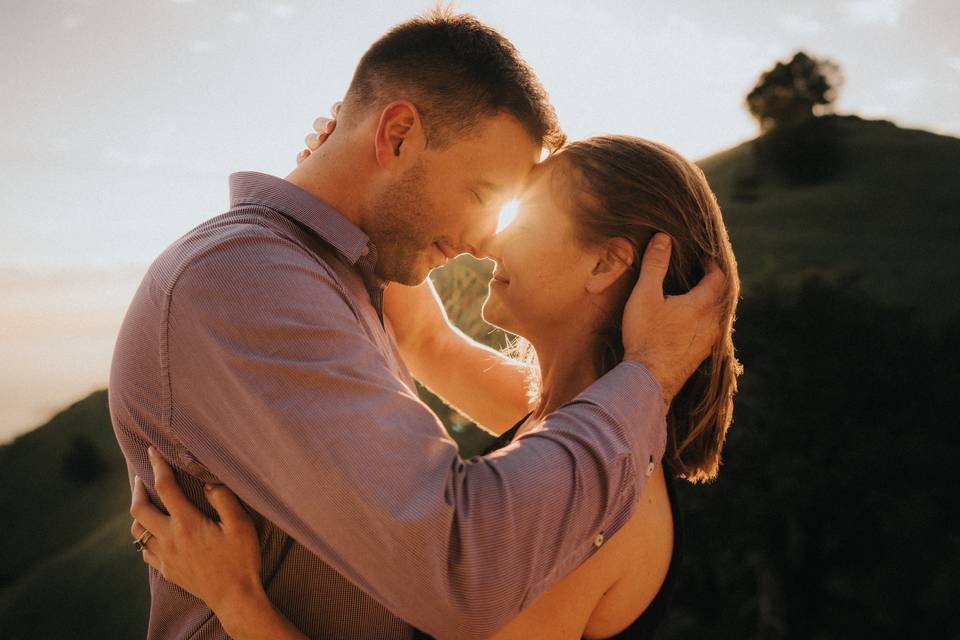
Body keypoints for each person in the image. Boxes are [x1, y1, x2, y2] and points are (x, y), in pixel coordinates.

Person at [114, 9, 726, 640]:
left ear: (605, 263)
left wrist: (241, 603)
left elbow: (460, 561)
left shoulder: (593, 476)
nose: (488, 240)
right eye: (487, 194)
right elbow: (426, 340)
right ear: (399, 134)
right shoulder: (247, 277)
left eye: (520, 214)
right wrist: (340, 194)